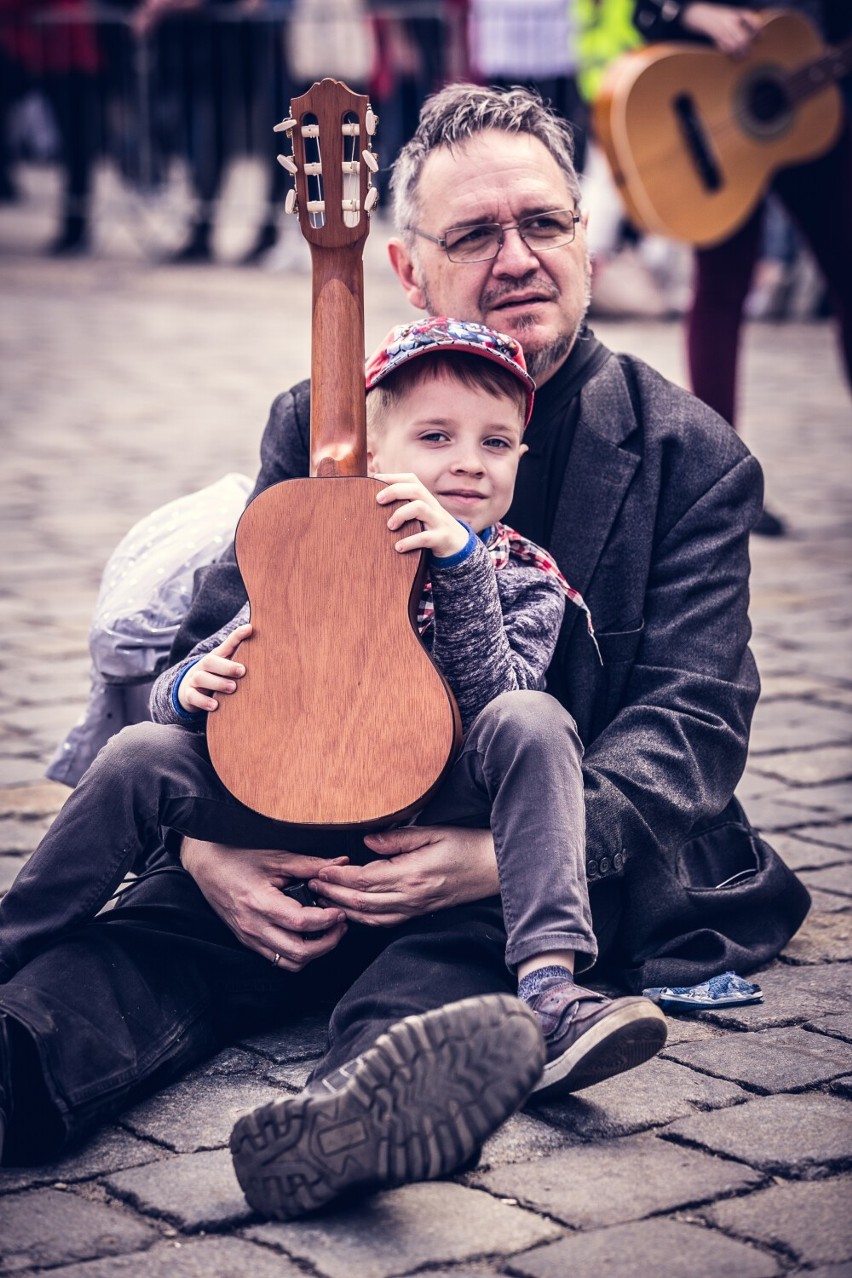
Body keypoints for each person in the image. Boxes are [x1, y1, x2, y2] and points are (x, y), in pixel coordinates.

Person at [1, 84, 809, 1211]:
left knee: (450, 970)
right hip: (301, 807)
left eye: (544, 222)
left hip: (499, 855)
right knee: (155, 938)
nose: (519, 255)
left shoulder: (691, 454)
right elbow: (236, 635)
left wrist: (502, 859)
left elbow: (694, 721)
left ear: (586, 236)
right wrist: (201, 853)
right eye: (475, 233)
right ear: (408, 267)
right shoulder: (318, 415)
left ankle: (350, 1124)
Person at [633, 0, 852, 535]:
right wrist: (695, 12)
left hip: (819, 106)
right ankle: (719, 483)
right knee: (720, 291)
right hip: (718, 114)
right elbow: (644, 10)